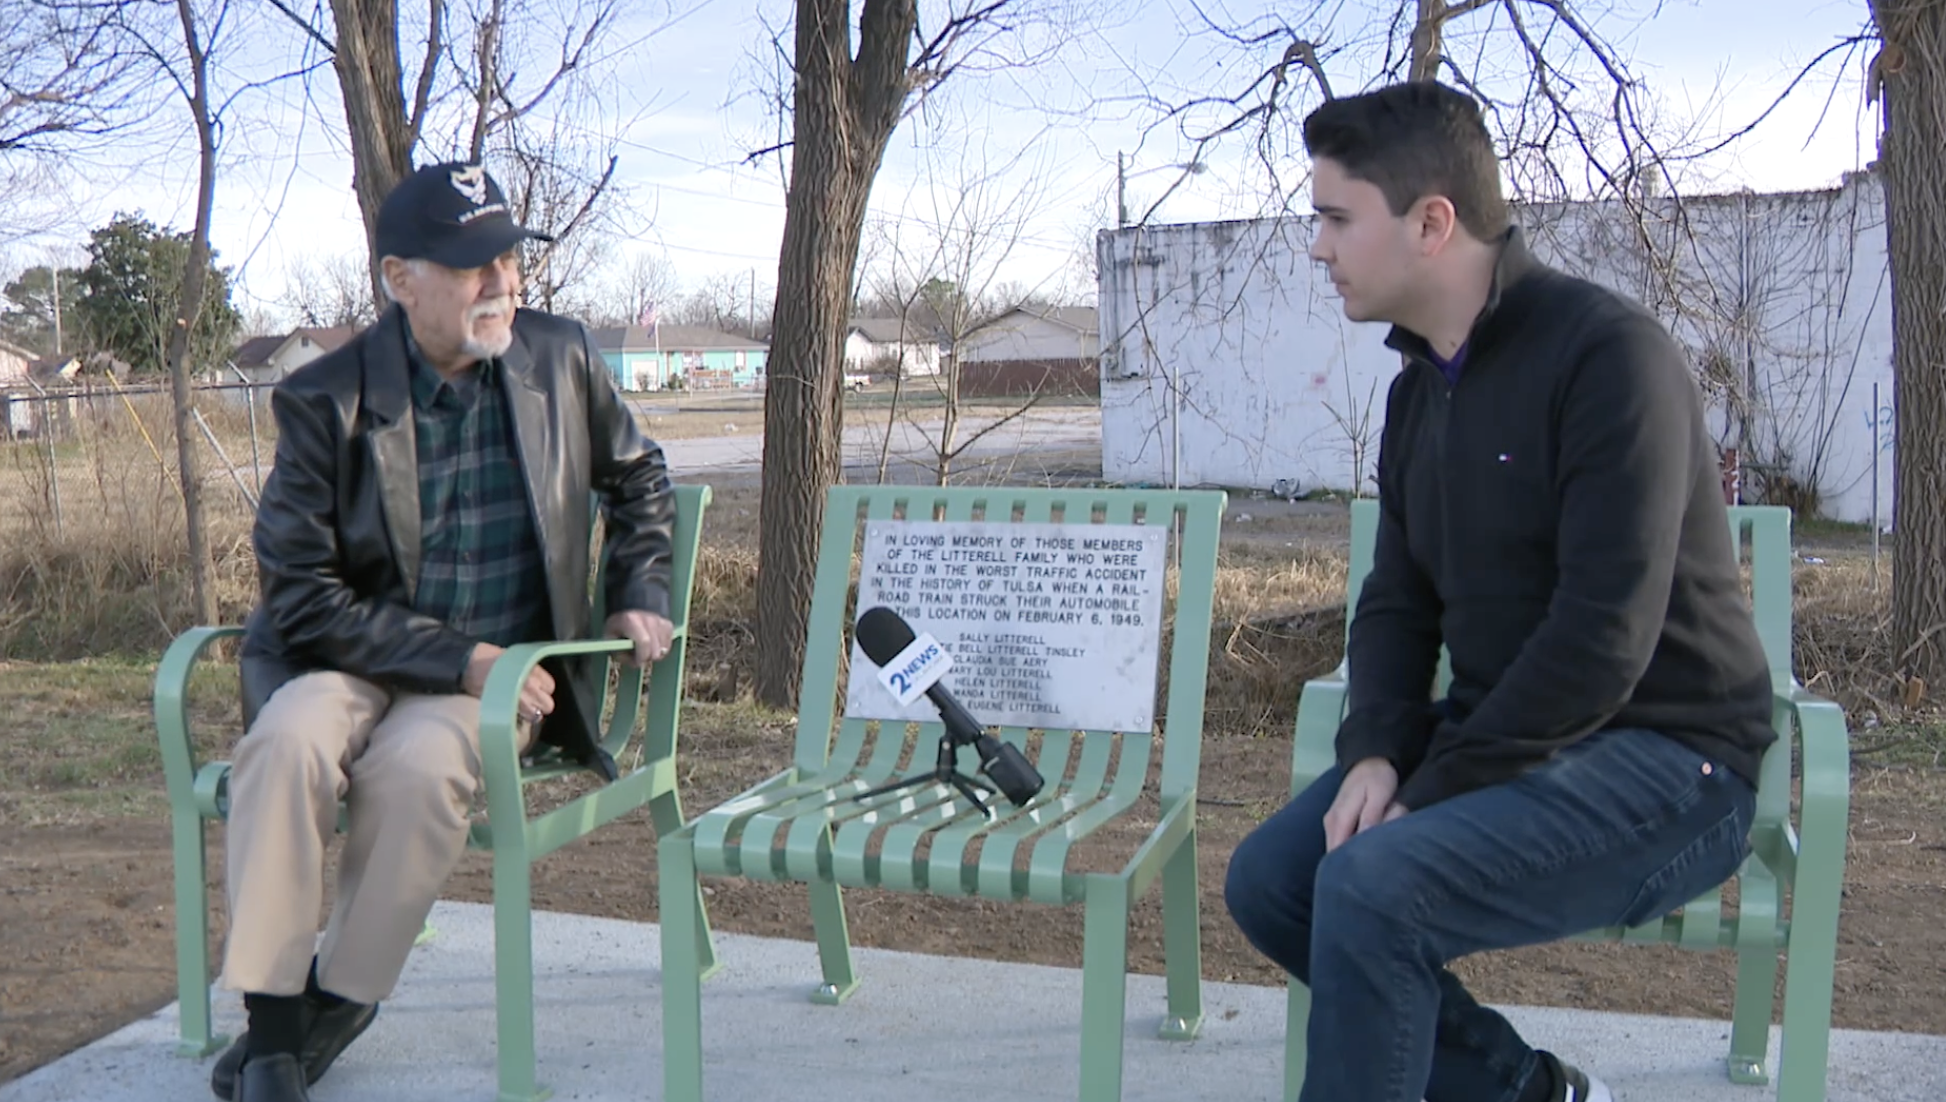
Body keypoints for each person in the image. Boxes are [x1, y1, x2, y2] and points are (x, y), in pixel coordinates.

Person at [1223, 81, 1776, 1102]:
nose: (1315, 247)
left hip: (1674, 765)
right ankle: (1526, 1091)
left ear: (1430, 223)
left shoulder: (1608, 359)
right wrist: (1377, 750)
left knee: (1372, 885)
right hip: (1511, 735)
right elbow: (1397, 601)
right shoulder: (1416, 395)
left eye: (1336, 218)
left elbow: (1602, 640)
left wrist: (1431, 789)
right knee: (1273, 880)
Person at [210, 161, 680, 1102]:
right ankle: (271, 1028)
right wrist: (456, 657)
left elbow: (639, 477)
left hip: (501, 680)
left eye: (509, 259)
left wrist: (639, 585)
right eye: (473, 266)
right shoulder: (326, 398)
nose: (502, 283)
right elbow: (300, 596)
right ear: (400, 279)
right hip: (351, 657)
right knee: (285, 744)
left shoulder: (560, 357)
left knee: (419, 768)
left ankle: (335, 1003)